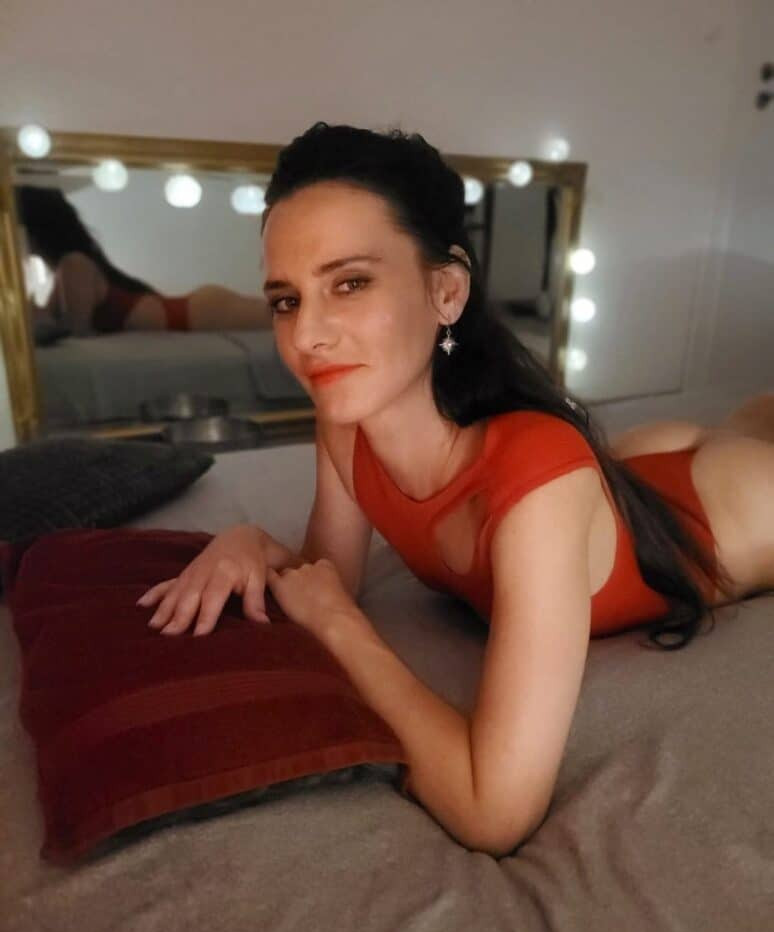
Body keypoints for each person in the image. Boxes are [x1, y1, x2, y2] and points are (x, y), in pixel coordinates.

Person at [135, 122, 774, 856]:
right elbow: (326, 575)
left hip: (737, 506)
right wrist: (249, 543)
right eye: (286, 299)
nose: (307, 335)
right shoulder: (346, 422)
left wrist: (343, 630)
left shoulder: (536, 480)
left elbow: (492, 811)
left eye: (350, 283)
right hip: (629, 475)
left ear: (446, 290)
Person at [15, 186, 273, 336]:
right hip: (190, 312)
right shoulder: (68, 268)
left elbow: (77, 331)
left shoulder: (74, 264)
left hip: (195, 313)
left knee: (287, 317)